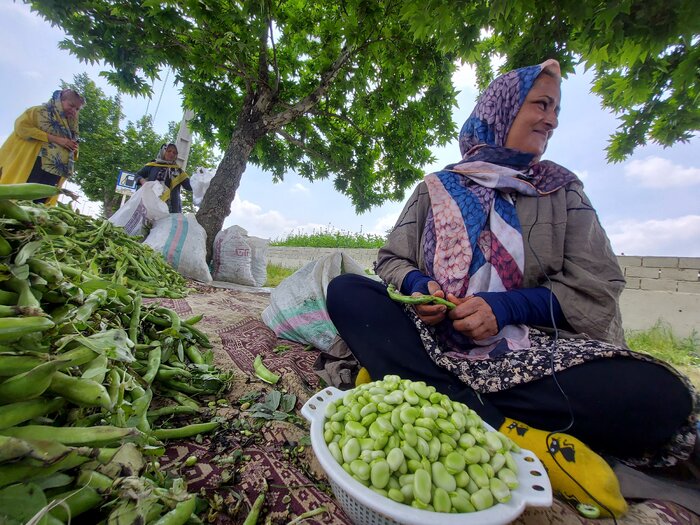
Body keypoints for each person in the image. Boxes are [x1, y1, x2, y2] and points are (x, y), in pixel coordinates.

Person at [326, 59, 697, 518]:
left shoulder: (562, 191)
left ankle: (420, 383)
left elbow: (594, 286)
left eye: (556, 110)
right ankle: (509, 428)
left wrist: (503, 308)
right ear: (501, 108)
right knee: (346, 291)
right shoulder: (436, 188)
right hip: (430, 336)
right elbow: (390, 260)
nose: (552, 120)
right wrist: (423, 288)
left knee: (662, 398)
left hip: (525, 354)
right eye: (541, 104)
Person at [0, 89, 84, 205]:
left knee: (41, 204)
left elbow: (72, 150)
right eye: (71, 106)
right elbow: (22, 128)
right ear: (60, 101)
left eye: (77, 109)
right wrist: (57, 140)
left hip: (55, 171)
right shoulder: (37, 112)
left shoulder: (71, 127)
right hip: (33, 163)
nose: (74, 111)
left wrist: (73, 149)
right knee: (21, 200)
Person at [135, 143, 191, 213]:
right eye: (169, 151)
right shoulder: (152, 165)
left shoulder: (178, 171)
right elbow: (137, 175)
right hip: (152, 204)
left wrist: (200, 181)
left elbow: (189, 186)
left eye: (174, 152)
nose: (171, 154)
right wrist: (142, 181)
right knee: (149, 223)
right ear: (163, 151)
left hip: (171, 208)